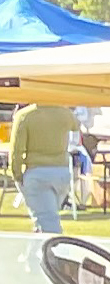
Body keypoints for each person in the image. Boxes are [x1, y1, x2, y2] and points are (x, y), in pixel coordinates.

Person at [11, 100, 74, 235]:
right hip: (62, 173)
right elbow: (77, 130)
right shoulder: (66, 113)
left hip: (37, 173)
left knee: (48, 223)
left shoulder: (24, 116)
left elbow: (16, 151)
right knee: (45, 218)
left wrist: (17, 175)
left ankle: (58, 252)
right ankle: (33, 255)